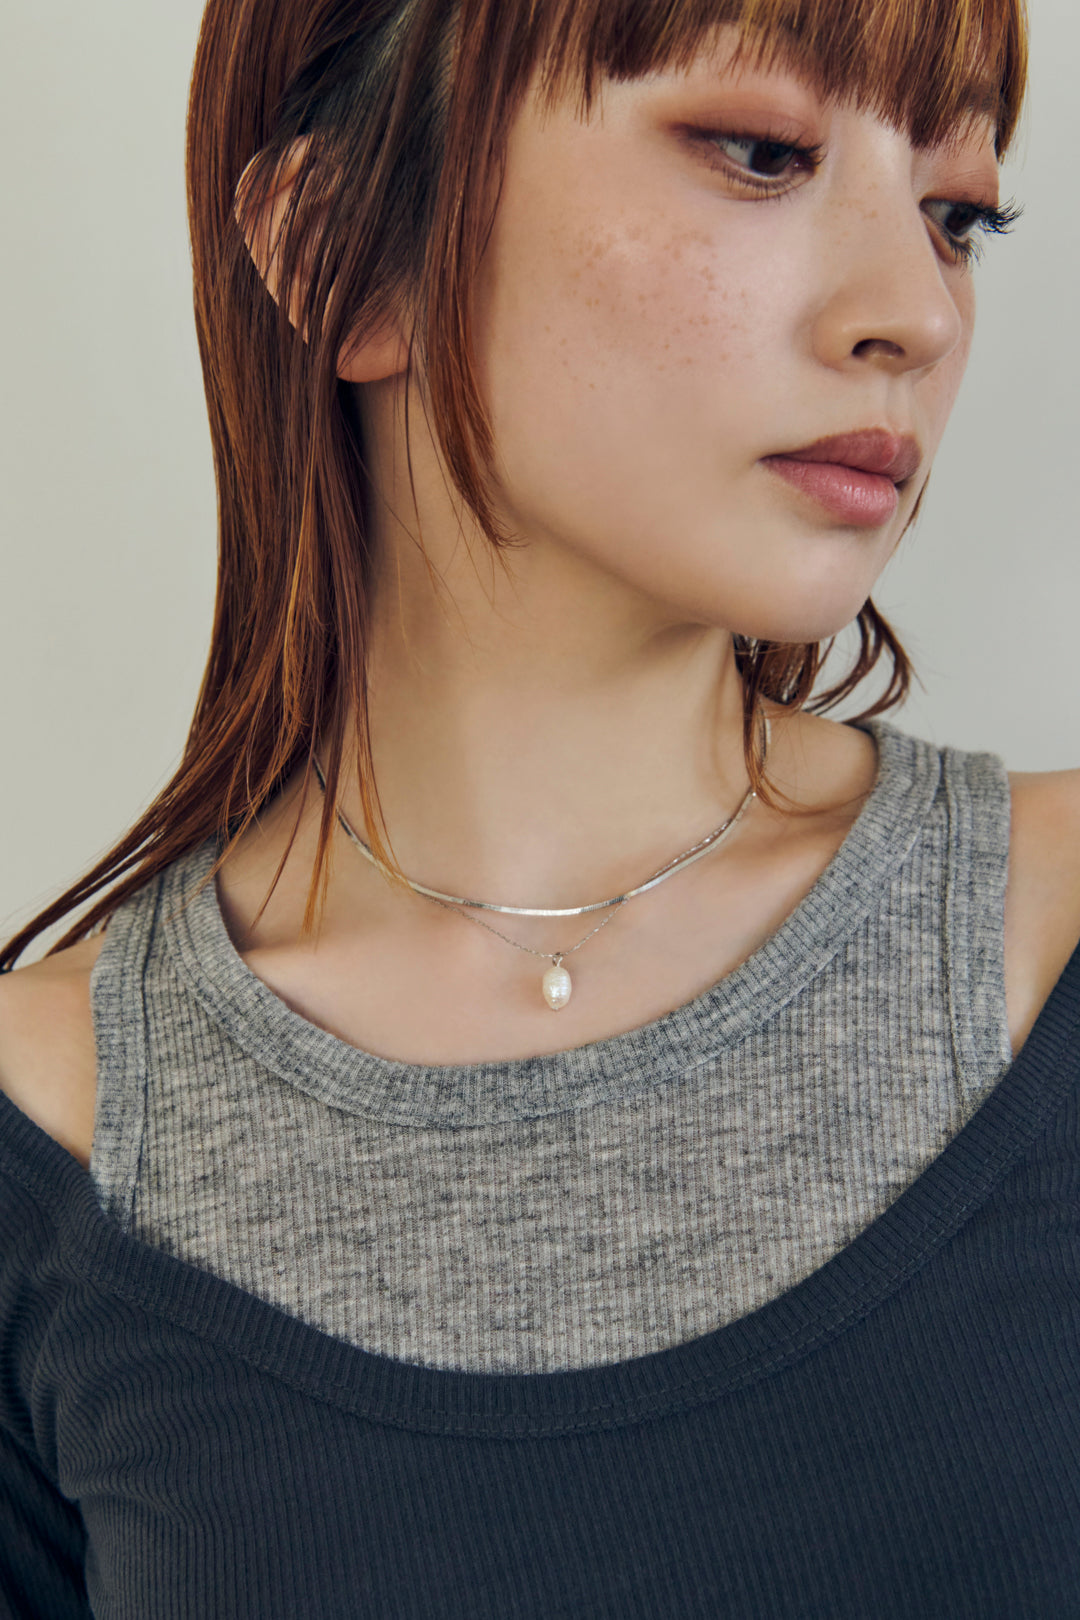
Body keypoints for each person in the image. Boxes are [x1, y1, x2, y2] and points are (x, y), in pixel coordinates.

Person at [1, 0, 1078, 1614]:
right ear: (343, 253)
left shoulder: (1052, 944)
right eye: (760, 151)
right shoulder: (48, 1139)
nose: (915, 311)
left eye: (958, 217)